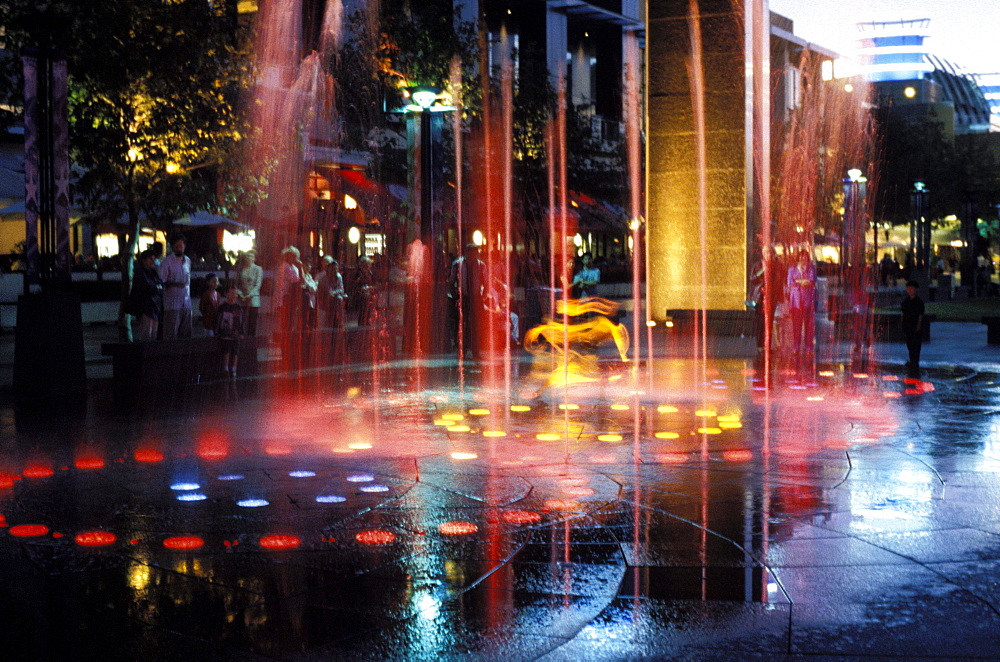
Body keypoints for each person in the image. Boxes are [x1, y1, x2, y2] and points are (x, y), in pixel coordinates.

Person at [159, 234, 192, 339]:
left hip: (186, 303)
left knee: (185, 333)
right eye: (177, 246)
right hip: (172, 304)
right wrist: (176, 284)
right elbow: (161, 282)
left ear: (184, 246)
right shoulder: (166, 262)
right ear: (172, 247)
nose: (179, 248)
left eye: (181, 246)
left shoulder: (187, 261)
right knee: (171, 333)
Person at [786, 249, 816, 363]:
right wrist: (802, 282)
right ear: (798, 258)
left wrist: (800, 281)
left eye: (805, 257)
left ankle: (809, 347)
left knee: (808, 326)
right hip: (796, 302)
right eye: (802, 257)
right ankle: (796, 347)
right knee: (796, 326)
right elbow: (790, 283)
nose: (803, 259)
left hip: (808, 301)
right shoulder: (792, 269)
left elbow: (813, 280)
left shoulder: (811, 268)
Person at [126, 248, 163, 342]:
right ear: (144, 260)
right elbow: (147, 287)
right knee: (147, 331)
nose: (152, 261)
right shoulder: (140, 272)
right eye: (150, 259)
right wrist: (156, 288)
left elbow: (160, 285)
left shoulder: (152, 272)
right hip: (145, 306)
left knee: (153, 331)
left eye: (153, 259)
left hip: (154, 305)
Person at [216, 283, 244, 378]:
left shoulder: (238, 308)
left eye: (235, 294)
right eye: (231, 293)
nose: (234, 296)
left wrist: (241, 332)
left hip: (235, 333)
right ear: (226, 294)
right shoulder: (222, 307)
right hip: (226, 333)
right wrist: (218, 332)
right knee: (227, 351)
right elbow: (218, 320)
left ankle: (234, 368)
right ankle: (226, 368)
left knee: (235, 351)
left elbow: (242, 320)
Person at [901, 279, 924, 378]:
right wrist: (901, 323)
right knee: (910, 344)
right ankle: (912, 361)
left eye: (912, 288)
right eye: (908, 288)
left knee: (916, 345)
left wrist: (918, 325)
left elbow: (920, 315)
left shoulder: (919, 302)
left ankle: (915, 362)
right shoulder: (905, 301)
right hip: (908, 326)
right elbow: (903, 313)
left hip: (915, 326)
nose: (910, 290)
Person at [236, 250, 263, 336]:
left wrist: (250, 294)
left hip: (253, 298)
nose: (248, 258)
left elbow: (258, 284)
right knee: (242, 320)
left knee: (252, 321)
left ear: (254, 258)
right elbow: (237, 284)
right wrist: (240, 294)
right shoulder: (241, 269)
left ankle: (251, 341)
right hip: (243, 298)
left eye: (251, 256)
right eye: (247, 256)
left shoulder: (258, 269)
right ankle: (242, 339)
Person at [316, 256, 346, 329]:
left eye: (336, 268)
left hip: (335, 296)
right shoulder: (323, 278)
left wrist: (335, 292)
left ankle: (340, 321)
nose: (335, 270)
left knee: (338, 299)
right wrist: (329, 293)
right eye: (333, 268)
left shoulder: (338, 277)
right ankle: (329, 321)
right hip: (325, 298)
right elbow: (322, 290)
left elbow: (341, 289)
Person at [199, 273, 220, 337]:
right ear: (208, 283)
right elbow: (202, 307)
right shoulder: (206, 294)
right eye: (213, 282)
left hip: (216, 322)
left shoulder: (218, 294)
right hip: (208, 321)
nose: (216, 283)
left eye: (217, 282)